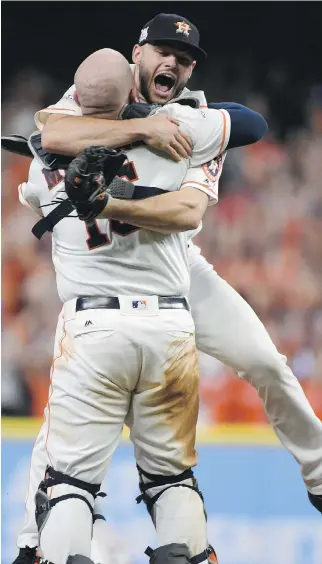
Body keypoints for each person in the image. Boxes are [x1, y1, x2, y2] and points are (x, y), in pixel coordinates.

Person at [35, 11, 322, 518]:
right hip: (105, 274)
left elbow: (241, 140)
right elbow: (51, 133)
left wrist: (114, 190)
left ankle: (319, 471)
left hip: (176, 266)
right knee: (67, 406)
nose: (174, 62)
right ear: (136, 55)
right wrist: (141, 127)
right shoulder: (98, 90)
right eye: (164, 51)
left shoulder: (193, 120)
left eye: (185, 59)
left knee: (264, 362)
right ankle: (34, 539)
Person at [14, 48, 229, 564]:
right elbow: (245, 124)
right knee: (172, 479)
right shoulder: (176, 141)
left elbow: (48, 142)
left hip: (94, 326)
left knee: (68, 485)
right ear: (133, 89)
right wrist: (148, 129)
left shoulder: (46, 163)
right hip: (170, 327)